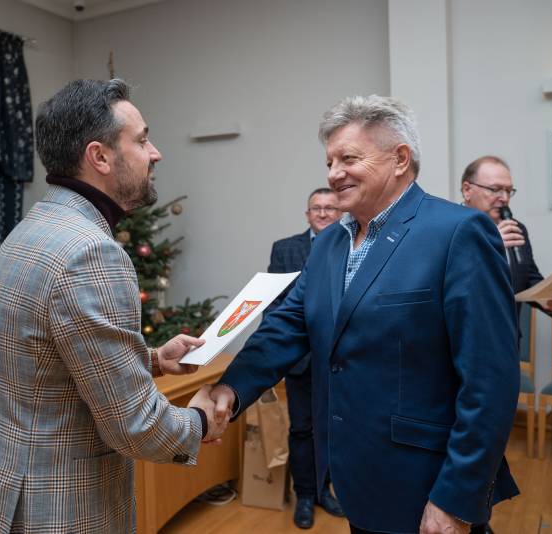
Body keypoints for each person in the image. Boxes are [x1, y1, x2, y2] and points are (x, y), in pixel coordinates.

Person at [208, 95, 520, 533]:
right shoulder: (328, 243)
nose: (334, 173)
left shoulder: (458, 232)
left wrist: (456, 498)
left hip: (426, 482)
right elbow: (289, 325)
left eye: (349, 158)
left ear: (400, 159)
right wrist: (231, 387)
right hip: (354, 472)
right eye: (329, 161)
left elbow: (490, 381)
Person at [0, 79, 225, 534]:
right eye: (142, 140)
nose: (155, 153)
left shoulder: (31, 228)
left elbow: (48, 366)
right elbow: (137, 426)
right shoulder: (91, 253)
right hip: (55, 513)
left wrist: (153, 360)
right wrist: (201, 419)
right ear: (99, 157)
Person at [266, 188, 345, 529]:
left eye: (330, 208)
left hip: (340, 361)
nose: (323, 213)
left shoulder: (353, 245)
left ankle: (326, 490)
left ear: (341, 213)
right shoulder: (285, 249)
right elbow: (273, 304)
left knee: (332, 429)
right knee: (302, 429)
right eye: (317, 208)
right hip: (300, 360)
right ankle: (305, 496)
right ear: (307, 214)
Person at [461, 156, 552, 321]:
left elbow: (527, 277)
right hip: (468, 333)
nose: (504, 198)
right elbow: (451, 285)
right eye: (495, 189)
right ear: (467, 190)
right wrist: (490, 247)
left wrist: (548, 299)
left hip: (510, 333)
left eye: (508, 190)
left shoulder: (515, 228)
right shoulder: (448, 228)